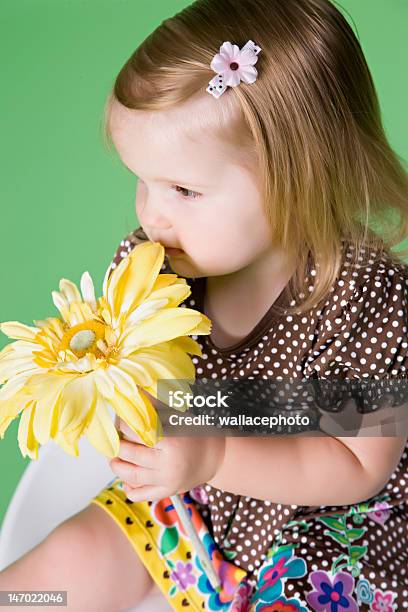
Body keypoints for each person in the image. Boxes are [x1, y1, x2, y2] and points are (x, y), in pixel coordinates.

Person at [1, 0, 408, 609]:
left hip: (328, 526)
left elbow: (356, 466)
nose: (151, 214)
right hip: (197, 502)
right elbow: (131, 384)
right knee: (64, 568)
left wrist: (214, 452)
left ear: (300, 177)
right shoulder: (156, 266)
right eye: (144, 181)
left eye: (185, 190)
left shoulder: (364, 293)